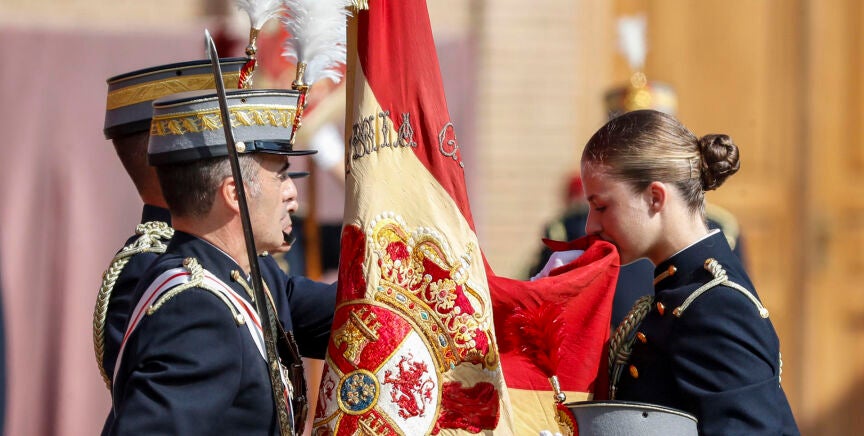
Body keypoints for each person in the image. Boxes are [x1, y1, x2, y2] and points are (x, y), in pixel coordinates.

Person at [104, 88, 335, 434]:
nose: (292, 192)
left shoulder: (248, 275)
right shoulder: (199, 309)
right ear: (234, 194)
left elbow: (349, 314)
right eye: (280, 174)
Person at [581, 109, 798, 434]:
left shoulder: (716, 306)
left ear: (655, 197)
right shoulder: (682, 292)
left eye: (601, 206)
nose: (590, 225)